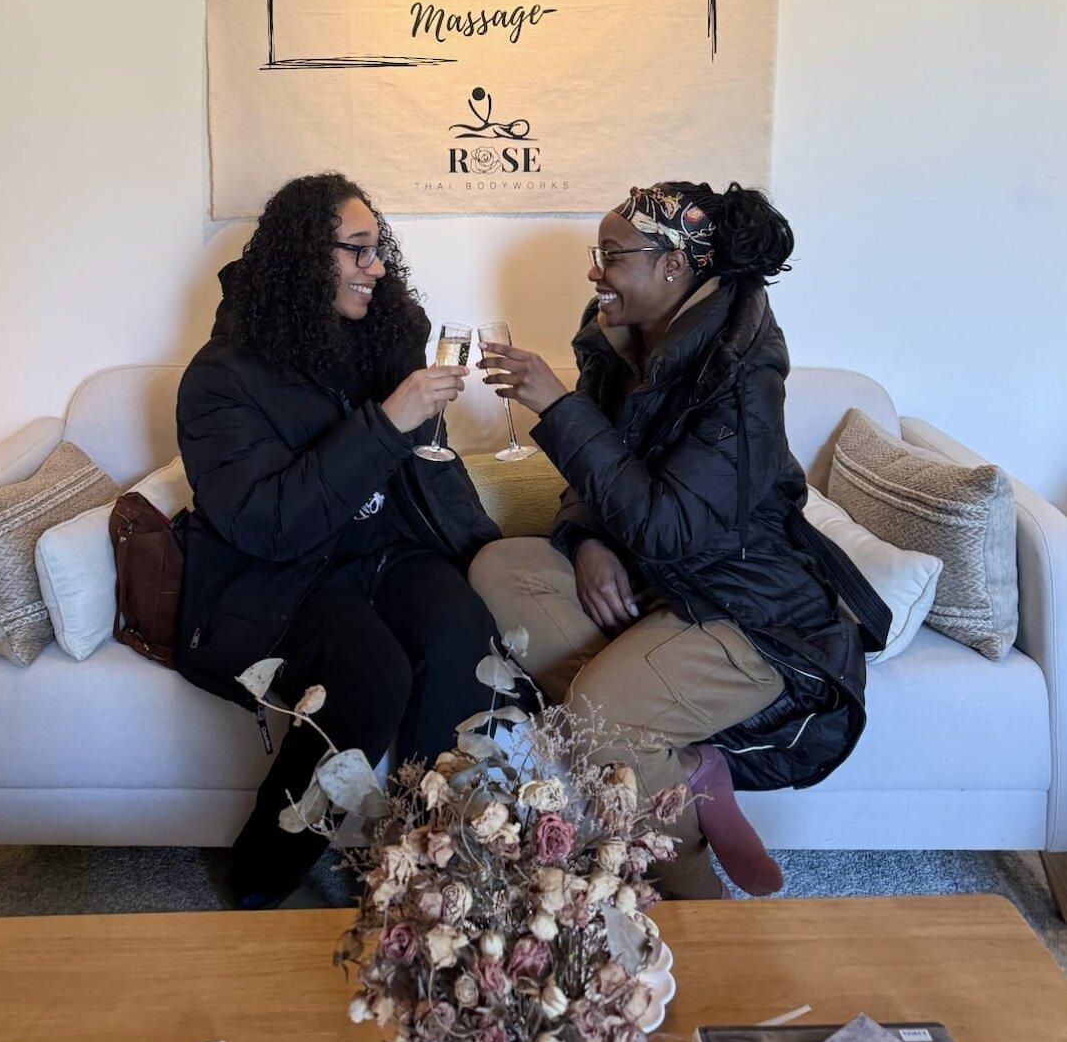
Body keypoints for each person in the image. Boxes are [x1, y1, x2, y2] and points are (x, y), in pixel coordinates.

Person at [469, 182, 889, 899]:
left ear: (675, 266)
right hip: (663, 586)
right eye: (595, 255)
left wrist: (558, 409)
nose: (595, 272)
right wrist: (587, 538)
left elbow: (671, 523)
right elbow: (603, 480)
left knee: (595, 724)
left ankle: (699, 897)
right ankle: (673, 752)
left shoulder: (742, 375)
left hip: (749, 608)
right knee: (498, 568)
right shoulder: (617, 338)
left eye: (612, 255)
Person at [175, 172, 500, 907]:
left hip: (382, 552)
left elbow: (426, 478)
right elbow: (274, 524)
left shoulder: (378, 335)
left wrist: (476, 545)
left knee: (462, 635)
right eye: (357, 250)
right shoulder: (219, 380)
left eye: (378, 249)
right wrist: (388, 419)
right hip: (283, 576)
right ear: (300, 258)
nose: (377, 267)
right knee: (372, 678)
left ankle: (427, 862)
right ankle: (258, 882)